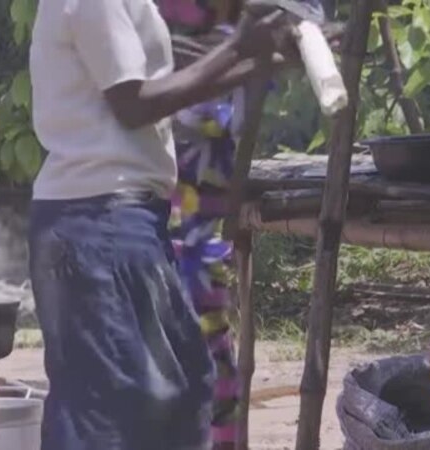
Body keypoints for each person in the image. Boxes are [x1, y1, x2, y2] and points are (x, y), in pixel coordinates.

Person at [28, 1, 296, 448]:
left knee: (181, 392)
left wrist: (262, 59)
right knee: (111, 413)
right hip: (97, 220)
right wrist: (238, 48)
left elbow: (160, 85)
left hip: (121, 220)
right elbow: (134, 105)